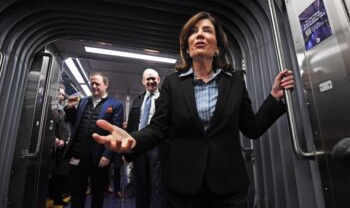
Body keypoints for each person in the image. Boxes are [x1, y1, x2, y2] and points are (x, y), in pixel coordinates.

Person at [93, 11, 295, 208]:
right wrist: (134, 140)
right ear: (187, 49)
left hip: (228, 185)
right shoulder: (172, 84)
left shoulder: (234, 82)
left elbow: (252, 128)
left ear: (217, 47)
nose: (199, 34)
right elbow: (158, 128)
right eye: (193, 31)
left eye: (207, 31)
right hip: (183, 186)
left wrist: (274, 98)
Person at [64, 72, 124, 208]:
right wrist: (69, 108)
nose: (94, 86)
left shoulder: (115, 105)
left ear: (106, 85)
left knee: (97, 195)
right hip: (78, 154)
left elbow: (116, 132)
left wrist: (107, 155)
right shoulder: (84, 101)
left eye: (97, 83)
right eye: (92, 83)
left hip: (99, 157)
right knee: (77, 195)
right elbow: (76, 123)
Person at [125, 68, 165, 208]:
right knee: (140, 185)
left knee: (158, 186)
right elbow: (131, 127)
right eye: (148, 79)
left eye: (153, 78)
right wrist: (127, 152)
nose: (151, 81)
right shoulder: (138, 100)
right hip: (139, 147)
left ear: (159, 80)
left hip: (158, 148)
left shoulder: (166, 100)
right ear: (143, 81)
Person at [47, 85, 71, 208]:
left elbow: (65, 128)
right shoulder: (50, 108)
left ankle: (56, 196)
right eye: (59, 94)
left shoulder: (61, 109)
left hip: (61, 146)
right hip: (53, 146)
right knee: (56, 174)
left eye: (62, 94)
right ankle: (55, 197)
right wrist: (54, 139)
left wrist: (63, 140)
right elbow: (49, 127)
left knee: (60, 173)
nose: (61, 96)